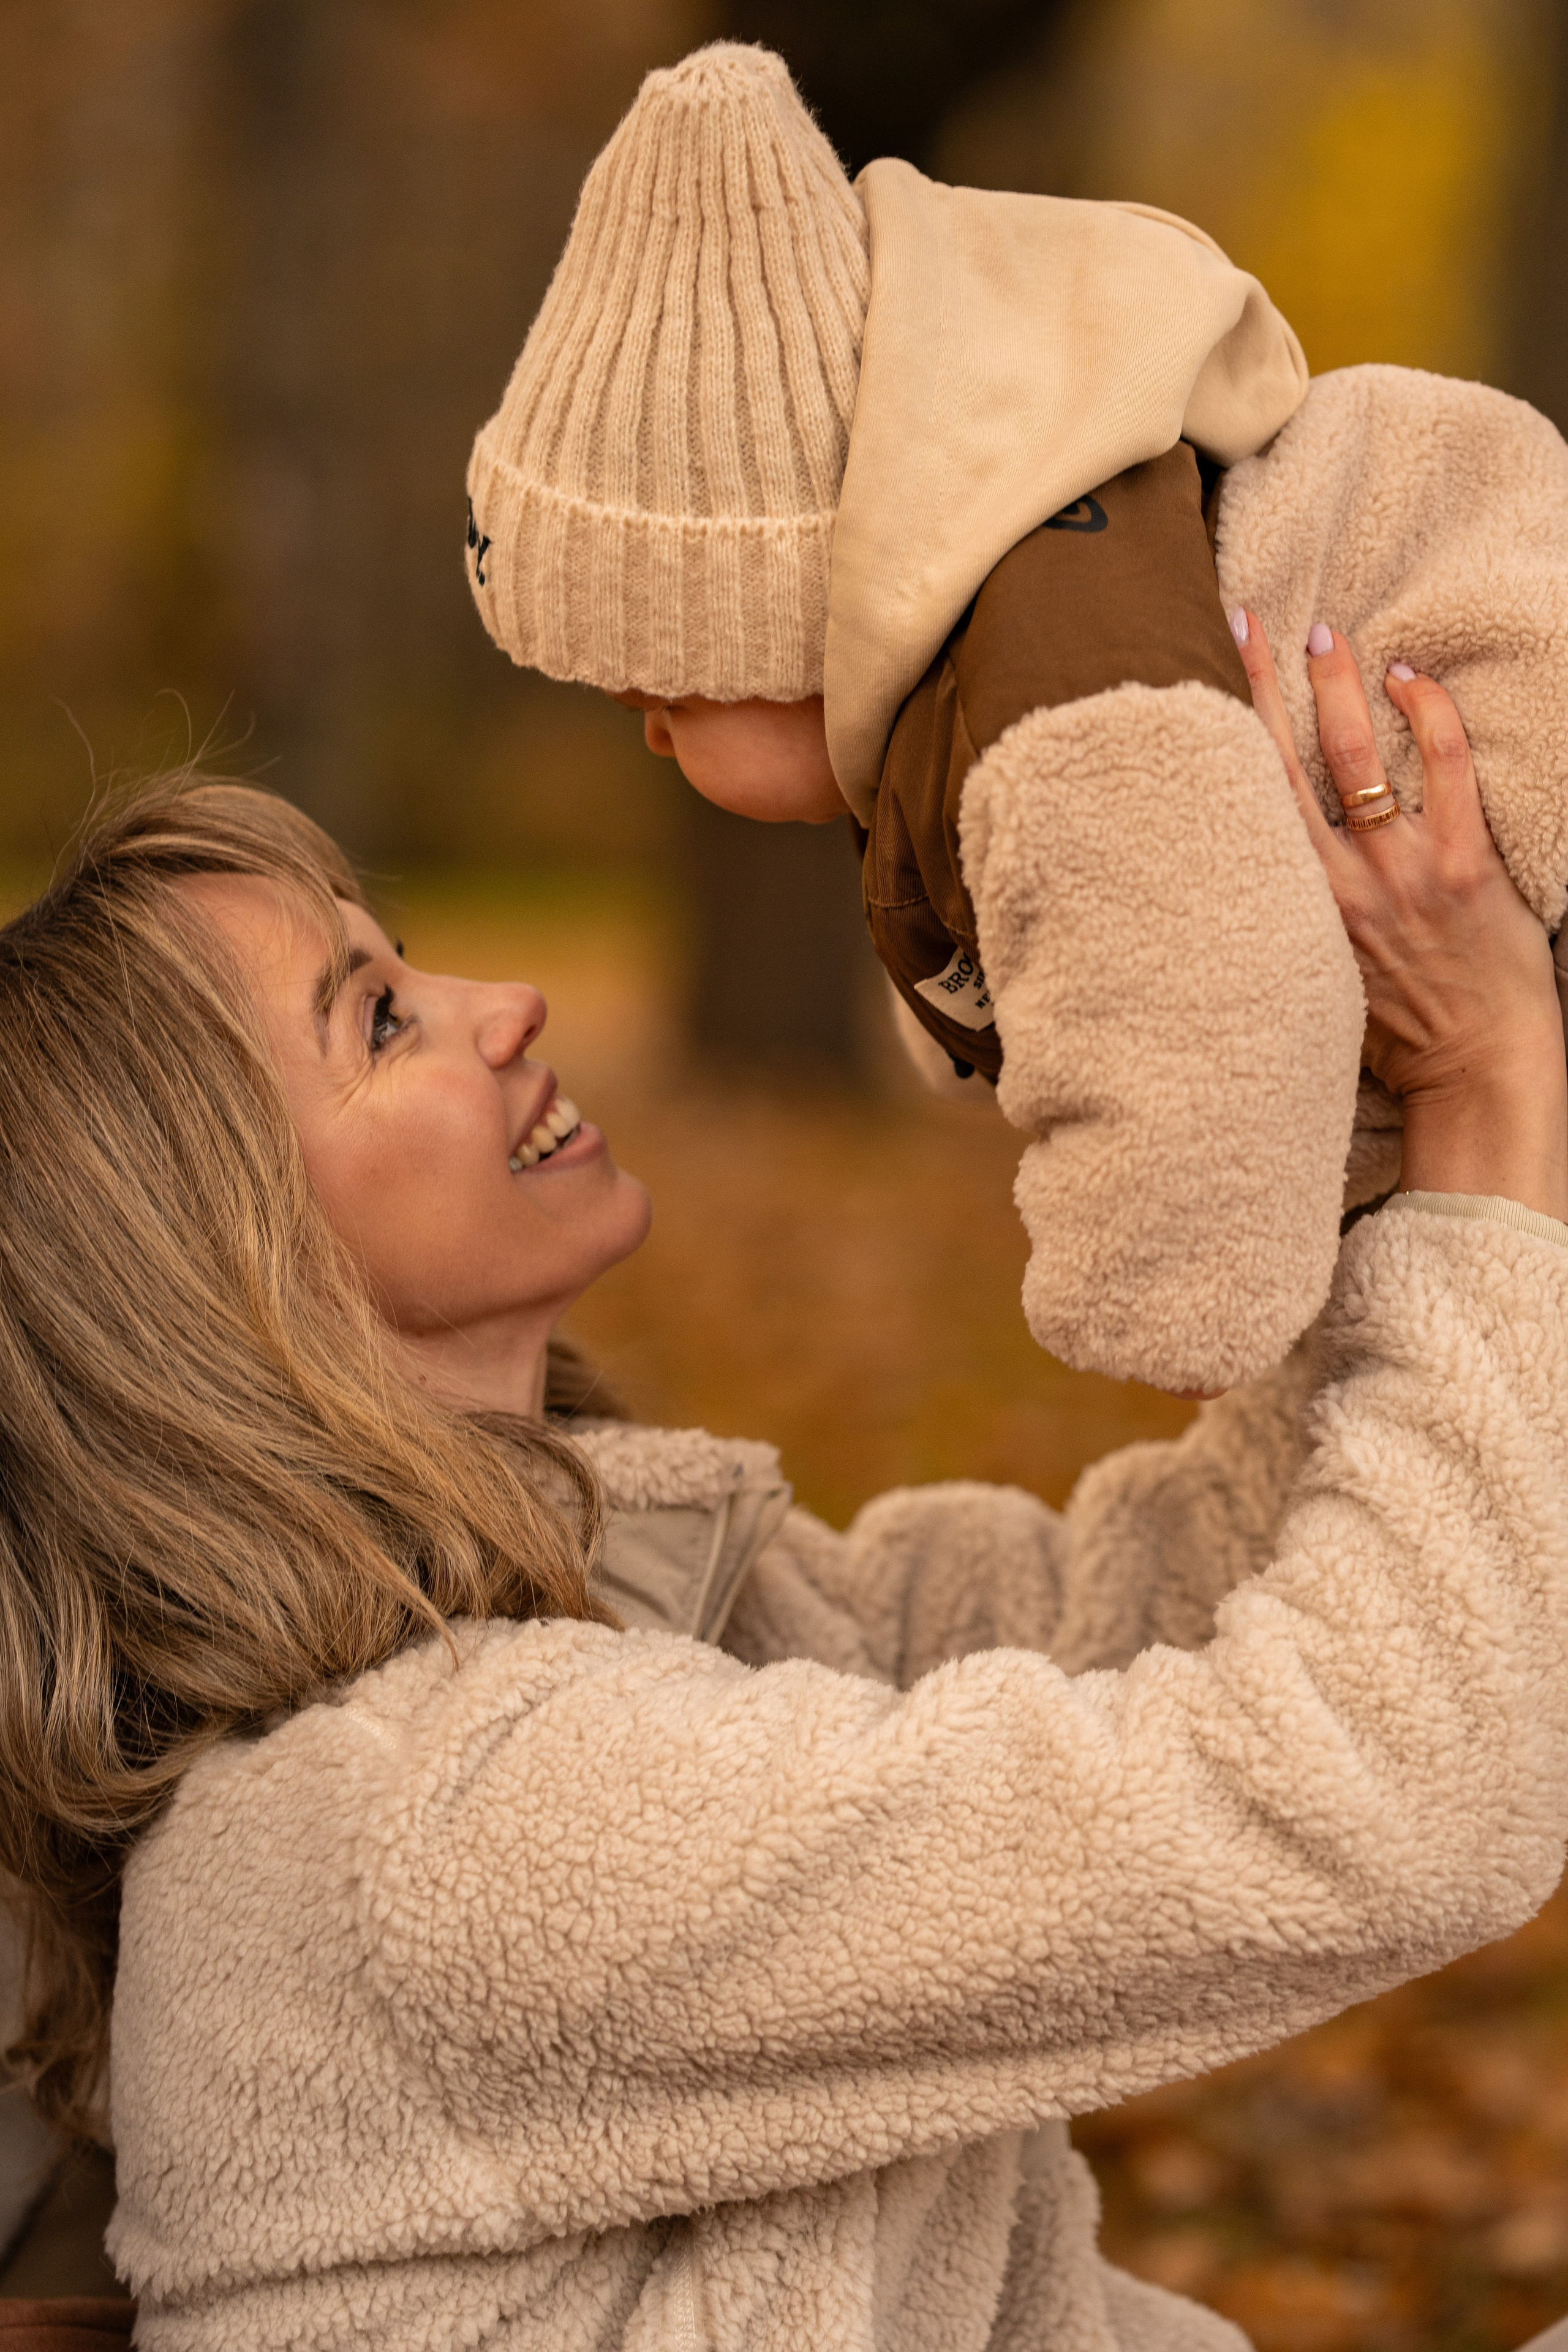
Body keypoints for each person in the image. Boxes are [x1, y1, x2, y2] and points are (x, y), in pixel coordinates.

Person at [0, 630, 1564, 2352]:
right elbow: (1380, 1800)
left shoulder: (630, 1608)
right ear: (223, 1273)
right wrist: (1483, 1091)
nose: (503, 1007)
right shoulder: (436, 1830)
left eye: (412, 967)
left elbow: (1168, 1593)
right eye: (379, 1022)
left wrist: (1382, 1126)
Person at [466, 40, 1568, 1401]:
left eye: (660, 698)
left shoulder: (1049, 659)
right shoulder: (991, 644)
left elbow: (1192, 982)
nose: (646, 741)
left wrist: (1158, 1281)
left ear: (780, 618)